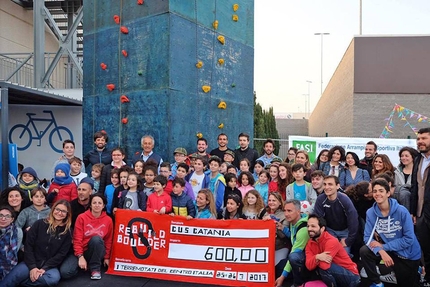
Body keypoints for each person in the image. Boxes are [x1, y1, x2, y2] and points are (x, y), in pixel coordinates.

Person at [360, 178, 421, 287]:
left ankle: (416, 272)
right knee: (364, 251)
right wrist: (381, 251)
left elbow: (409, 239)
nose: (377, 194)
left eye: (381, 191)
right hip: (389, 249)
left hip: (407, 253)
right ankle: (377, 282)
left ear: (388, 193)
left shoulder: (402, 211)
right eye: (375, 191)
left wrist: (384, 247)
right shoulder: (371, 212)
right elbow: (367, 238)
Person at [1, 200, 73, 287]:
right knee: (11, 278)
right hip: (30, 262)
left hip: (49, 267)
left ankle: (23, 282)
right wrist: (33, 267)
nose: (59, 213)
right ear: (53, 210)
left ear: (67, 214)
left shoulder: (68, 232)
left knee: (53, 279)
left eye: (63, 211)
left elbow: (61, 254)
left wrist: (44, 268)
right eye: (57, 209)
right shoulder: (39, 224)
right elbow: (29, 246)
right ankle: (24, 278)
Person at [305, 214, 360, 287]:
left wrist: (314, 260)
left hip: (352, 276)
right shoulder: (310, 243)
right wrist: (317, 257)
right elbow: (308, 266)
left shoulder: (331, 241)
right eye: (308, 226)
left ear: (322, 229)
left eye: (313, 226)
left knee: (323, 269)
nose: (309, 229)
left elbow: (325, 266)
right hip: (334, 274)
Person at [59, 178, 94, 280]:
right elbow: (65, 225)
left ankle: (92, 264)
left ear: (90, 191)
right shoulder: (71, 205)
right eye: (79, 189)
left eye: (84, 190)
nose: (81, 192)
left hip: (91, 243)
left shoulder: (96, 203)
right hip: (75, 243)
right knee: (65, 272)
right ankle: (79, 264)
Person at [313, 175, 359, 255]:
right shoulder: (320, 199)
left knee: (344, 255)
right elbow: (318, 219)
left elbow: (353, 220)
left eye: (330, 184)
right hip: (330, 230)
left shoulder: (344, 199)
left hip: (345, 231)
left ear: (337, 186)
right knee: (330, 254)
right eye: (325, 184)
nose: (327, 187)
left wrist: (348, 240)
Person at [74, 194, 113, 280]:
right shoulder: (81, 217)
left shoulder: (108, 220)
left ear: (103, 206)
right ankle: (86, 264)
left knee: (96, 239)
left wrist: (107, 257)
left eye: (100, 203)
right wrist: (80, 256)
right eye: (94, 202)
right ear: (90, 205)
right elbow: (77, 238)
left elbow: (108, 240)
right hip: (84, 251)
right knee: (67, 272)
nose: (97, 205)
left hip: (98, 249)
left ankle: (95, 269)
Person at [275, 199, 310, 287]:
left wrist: (282, 277)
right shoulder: (294, 221)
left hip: (307, 259)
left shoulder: (303, 229)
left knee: (283, 266)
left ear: (298, 211)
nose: (286, 214)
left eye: (289, 211)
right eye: (285, 211)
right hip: (299, 255)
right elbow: (293, 236)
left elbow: (294, 253)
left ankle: (298, 283)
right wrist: (282, 228)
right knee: (280, 266)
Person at [411, 127, 430, 283]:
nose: (420, 141)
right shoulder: (418, 159)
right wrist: (413, 211)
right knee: (426, 248)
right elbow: (415, 187)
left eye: (424, 138)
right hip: (421, 212)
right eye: (418, 139)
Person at [265, 192, 289, 267]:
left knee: (276, 267)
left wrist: (273, 224)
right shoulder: (264, 213)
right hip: (265, 247)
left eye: (274, 200)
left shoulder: (285, 215)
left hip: (280, 246)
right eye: (269, 200)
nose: (271, 202)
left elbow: (283, 235)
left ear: (279, 202)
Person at [0, 205, 22, 281]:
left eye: (7, 216)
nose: (3, 218)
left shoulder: (17, 232)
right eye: (1, 215)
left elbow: (15, 250)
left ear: (12, 219)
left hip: (8, 265)